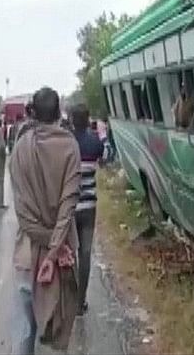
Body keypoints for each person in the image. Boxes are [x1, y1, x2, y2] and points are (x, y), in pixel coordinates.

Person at [9, 87, 80, 355]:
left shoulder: (20, 148)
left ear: (34, 114)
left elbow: (23, 214)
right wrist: (56, 249)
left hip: (27, 257)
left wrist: (45, 246)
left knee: (24, 333)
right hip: (61, 260)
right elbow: (68, 204)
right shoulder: (70, 146)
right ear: (59, 112)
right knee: (58, 329)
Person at [70, 103, 104, 315]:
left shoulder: (67, 142)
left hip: (70, 207)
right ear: (88, 118)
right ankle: (81, 302)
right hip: (89, 207)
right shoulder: (94, 142)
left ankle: (70, 296)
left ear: (72, 120)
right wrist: (102, 134)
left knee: (70, 253)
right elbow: (107, 158)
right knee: (85, 253)